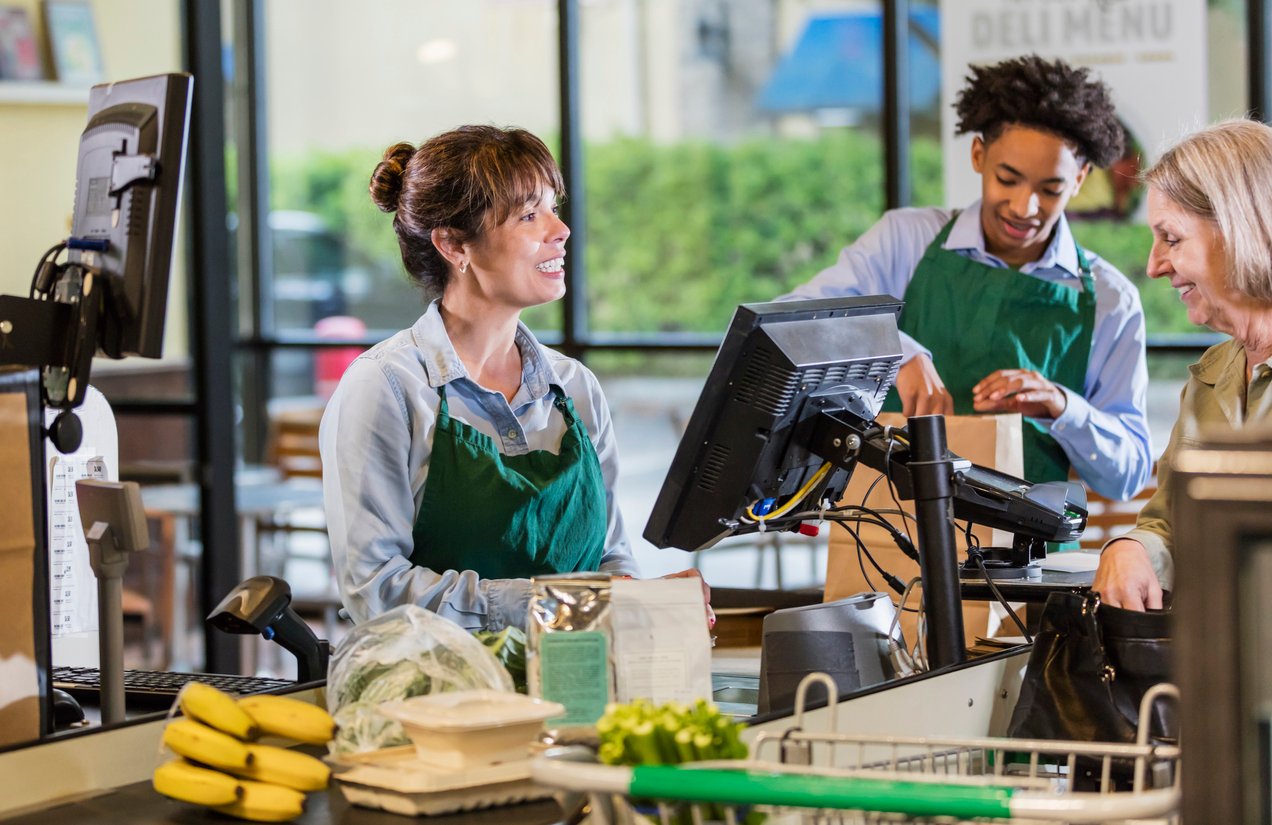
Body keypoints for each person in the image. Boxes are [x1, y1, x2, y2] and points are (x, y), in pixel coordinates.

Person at [319, 125, 708, 631]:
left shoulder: (575, 387)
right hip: (437, 696)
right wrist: (556, 604)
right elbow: (376, 589)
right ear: (454, 245)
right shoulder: (387, 388)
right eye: (529, 215)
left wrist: (641, 605)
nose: (560, 229)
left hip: (578, 689)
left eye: (553, 208)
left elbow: (611, 560)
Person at [782, 55, 1152, 501]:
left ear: (1080, 179)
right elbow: (791, 324)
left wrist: (1062, 407)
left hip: (1033, 564)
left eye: (1050, 189)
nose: (1024, 207)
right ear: (978, 155)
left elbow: (1128, 478)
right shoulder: (906, 240)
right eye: (1007, 179)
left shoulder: (1112, 301)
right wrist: (897, 352)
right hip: (884, 539)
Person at [1093, 119, 1272, 610]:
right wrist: (1133, 548)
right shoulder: (1211, 376)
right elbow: (1170, 522)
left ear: (1241, 230)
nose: (1153, 266)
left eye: (1171, 239)